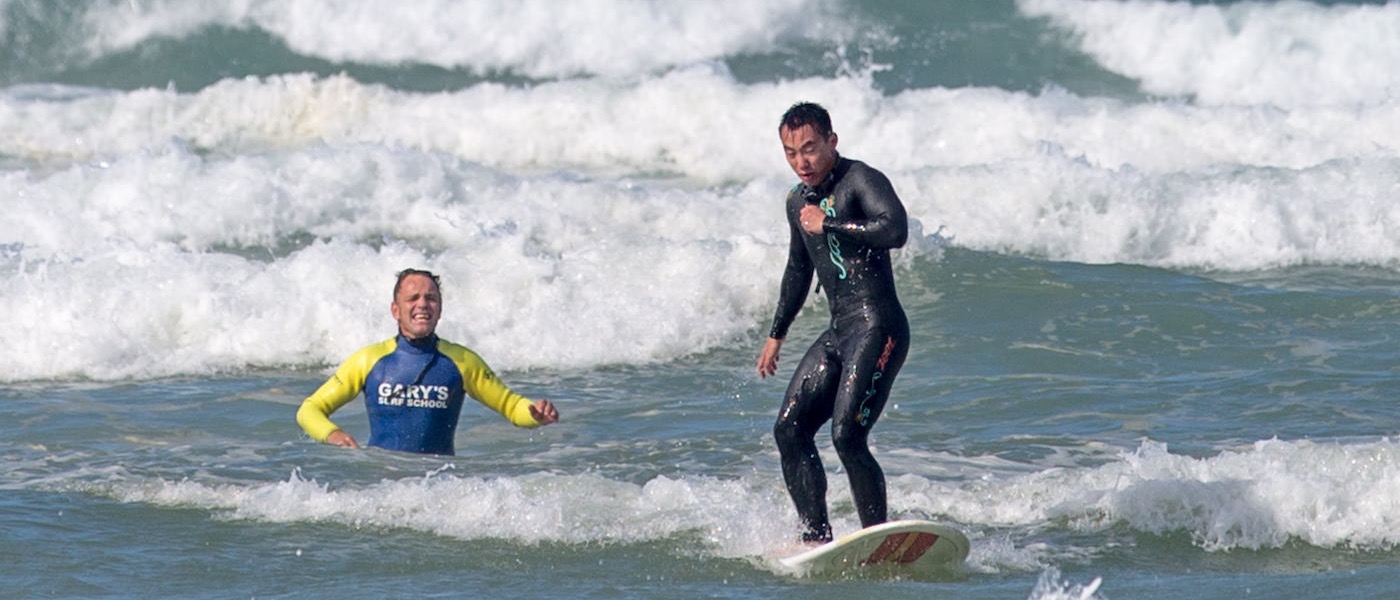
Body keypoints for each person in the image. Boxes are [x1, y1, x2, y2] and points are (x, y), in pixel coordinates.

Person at [756, 102, 911, 543]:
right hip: (840, 331)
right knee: (789, 429)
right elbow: (797, 269)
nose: (801, 162)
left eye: (809, 149)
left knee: (847, 436)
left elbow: (895, 230)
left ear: (831, 141)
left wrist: (830, 224)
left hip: (879, 327)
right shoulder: (796, 202)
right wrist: (776, 334)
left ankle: (879, 539)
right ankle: (816, 537)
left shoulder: (861, 180)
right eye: (790, 153)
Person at [296, 268, 558, 455]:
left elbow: (511, 406)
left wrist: (534, 414)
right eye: (413, 298)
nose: (423, 304)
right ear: (395, 310)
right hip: (380, 484)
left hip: (439, 488)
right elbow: (310, 409)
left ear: (440, 309)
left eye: (431, 298)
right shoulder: (369, 360)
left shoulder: (462, 361)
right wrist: (333, 435)